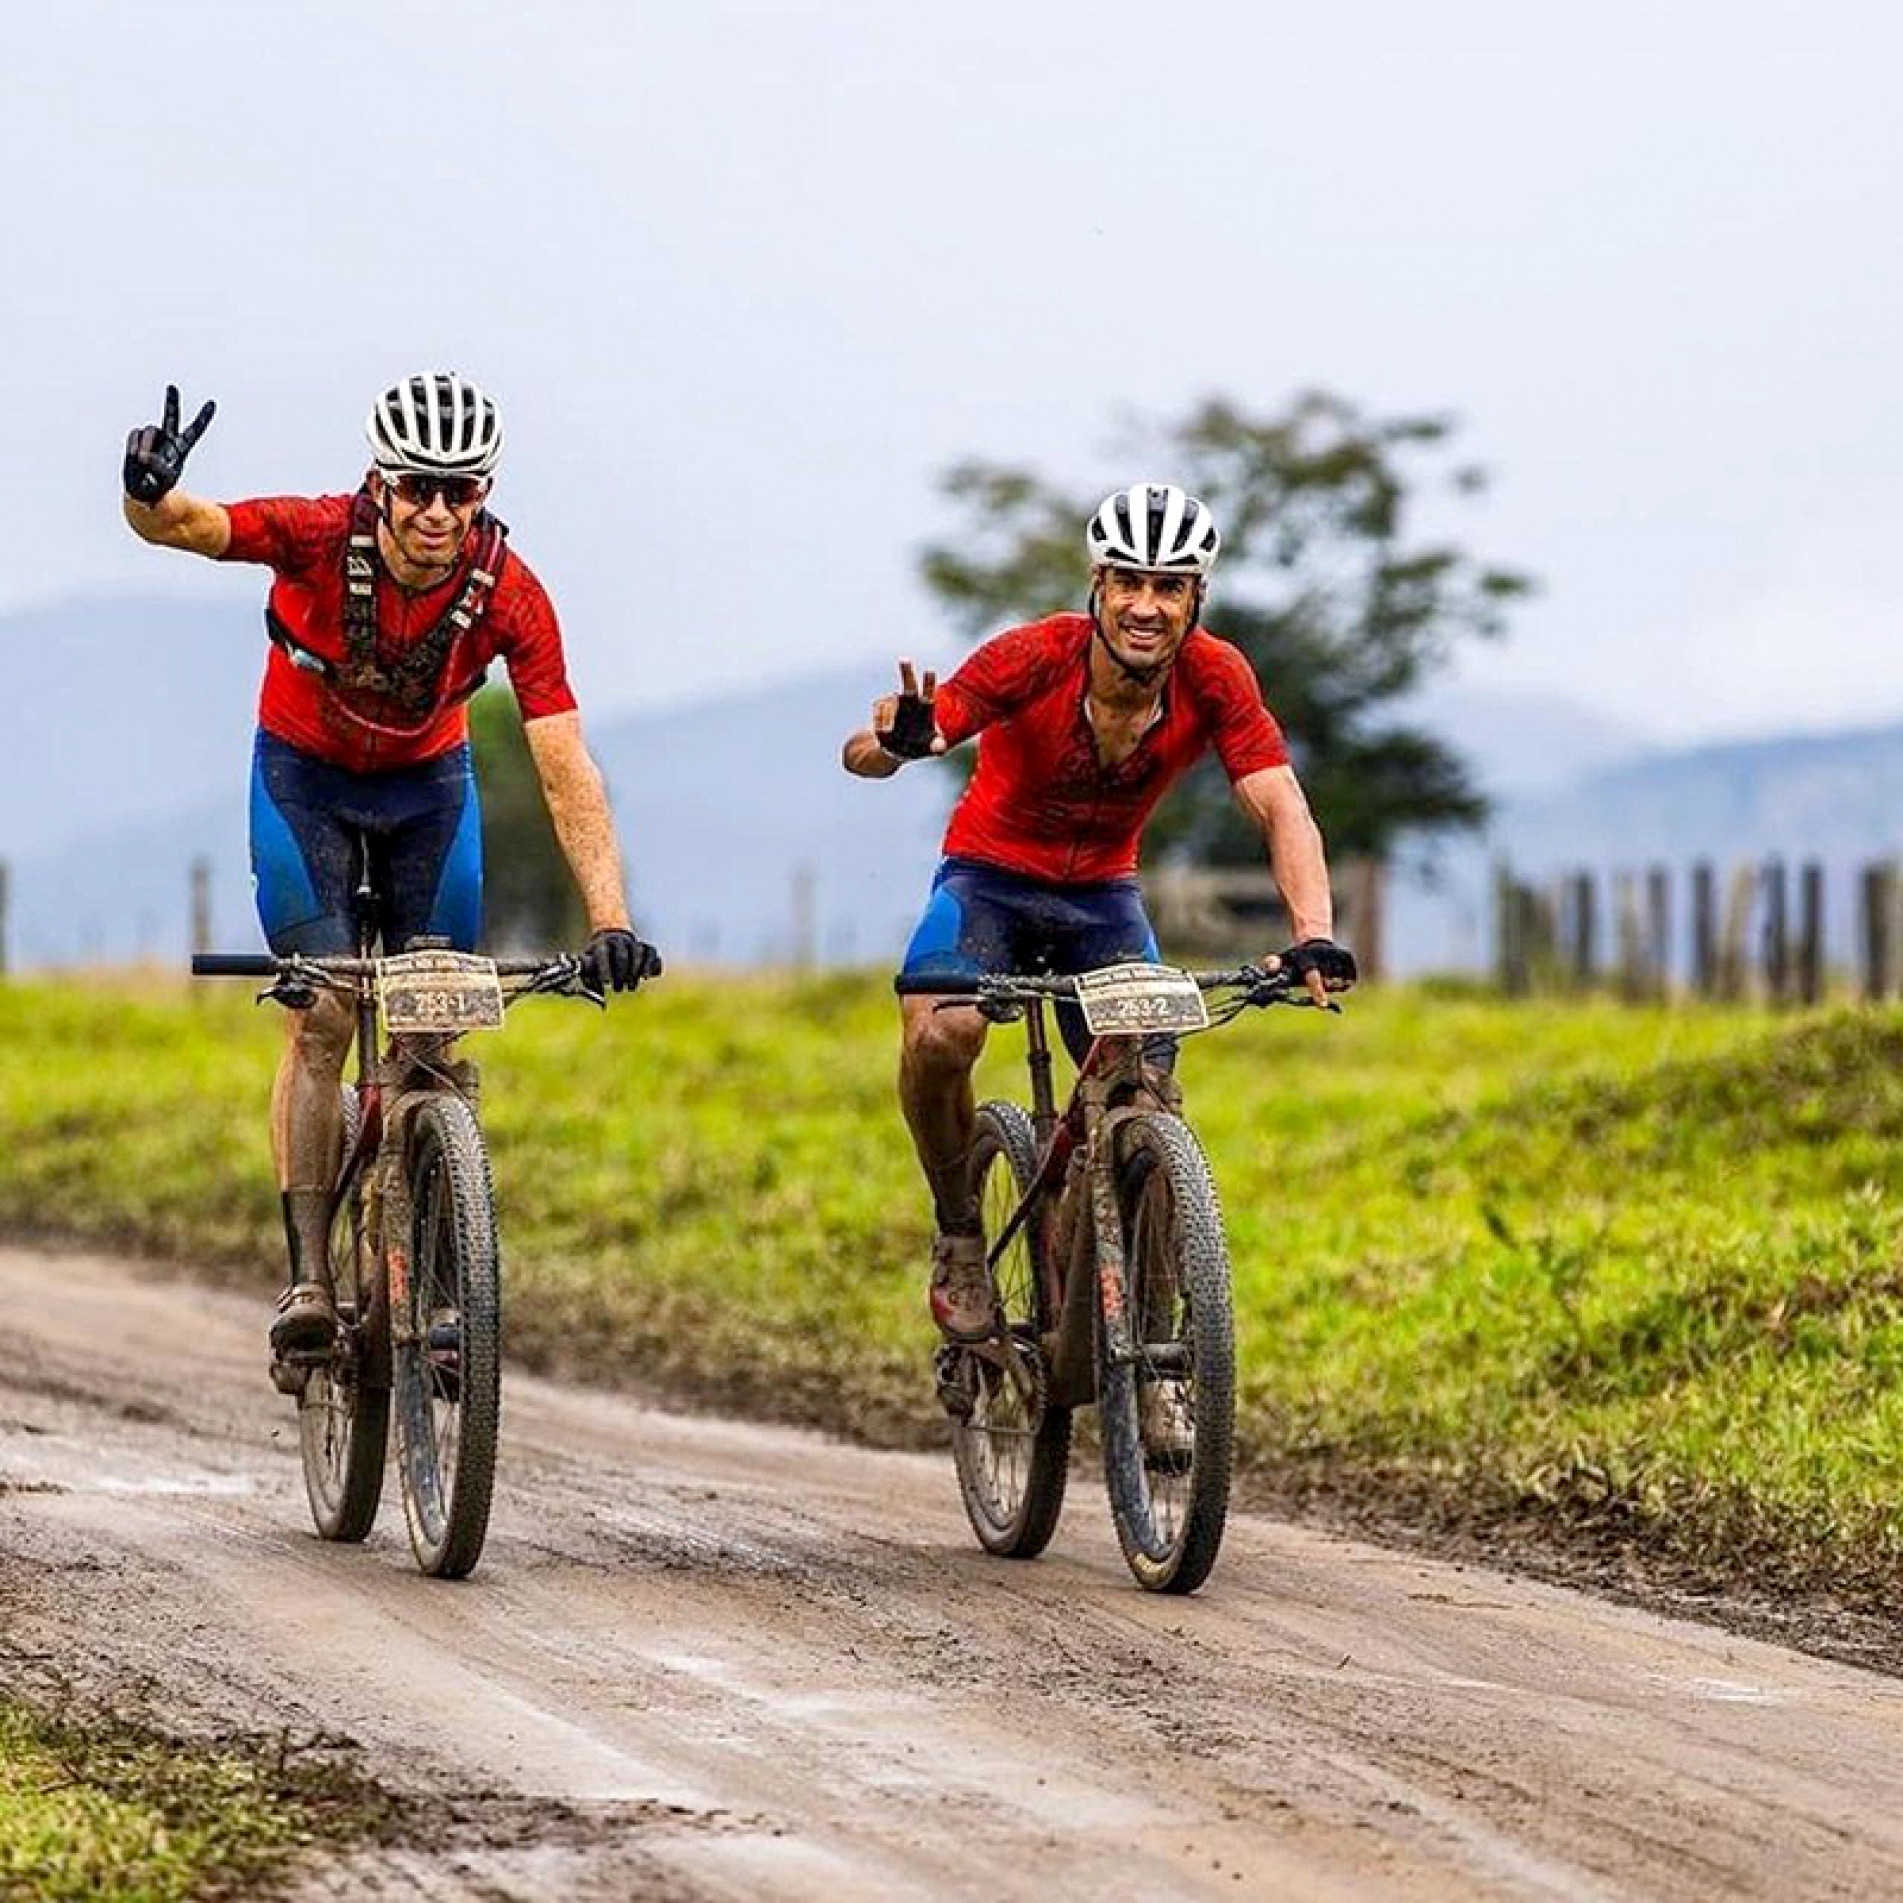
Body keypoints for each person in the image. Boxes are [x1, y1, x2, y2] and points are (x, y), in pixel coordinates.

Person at [122, 374, 659, 1358]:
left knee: (434, 1024)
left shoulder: (513, 594)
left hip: (426, 793)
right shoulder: (320, 534)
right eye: (418, 487)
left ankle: (444, 1279)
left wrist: (610, 920)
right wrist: (146, 492)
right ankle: (311, 1279)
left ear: (485, 493)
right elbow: (190, 527)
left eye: (461, 491)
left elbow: (565, 764)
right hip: (303, 781)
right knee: (324, 1015)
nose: (437, 511)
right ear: (381, 481)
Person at [842, 482, 1356, 1342]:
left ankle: (1153, 1353)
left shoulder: (1216, 677)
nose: (1145, 606)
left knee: (1147, 1104)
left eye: (1168, 587)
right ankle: (960, 1230)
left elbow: (1279, 804)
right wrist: (893, 743)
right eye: (1128, 582)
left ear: (1197, 597)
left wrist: (1312, 933)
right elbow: (872, 751)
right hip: (987, 882)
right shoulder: (1035, 655)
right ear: (1096, 584)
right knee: (941, 1034)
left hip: (1102, 902)